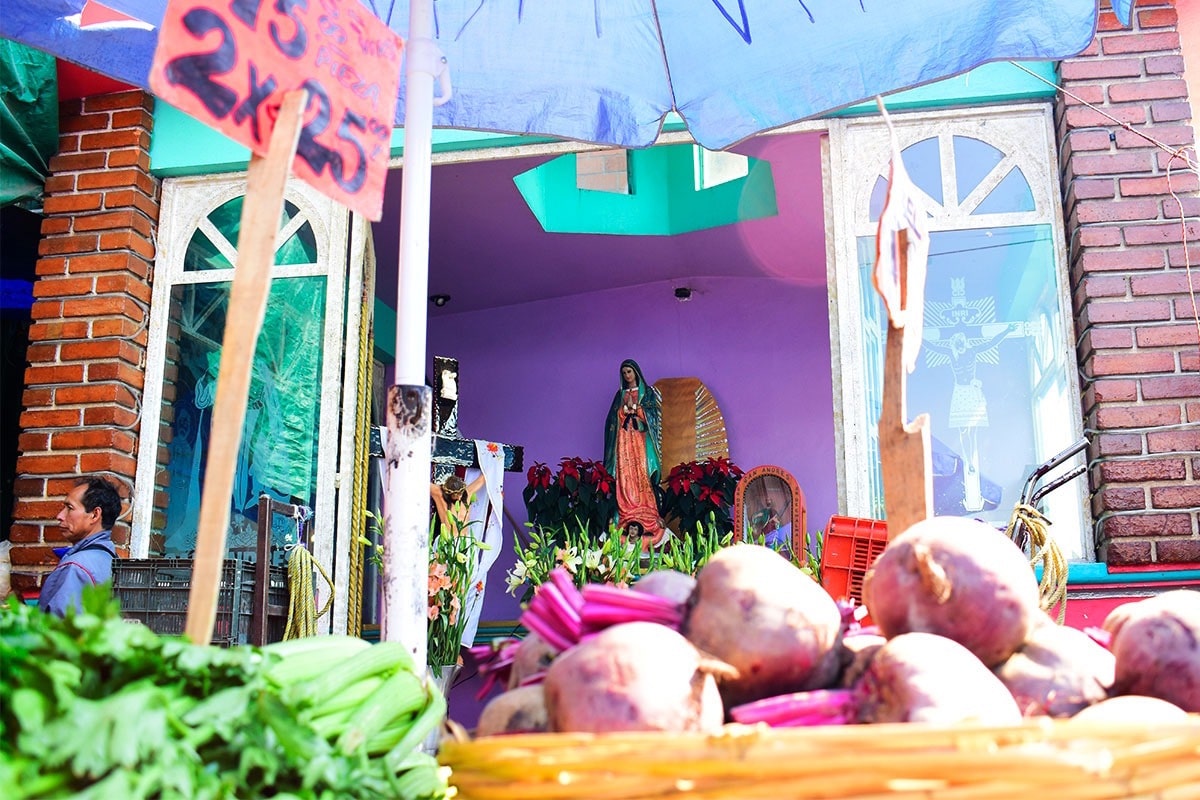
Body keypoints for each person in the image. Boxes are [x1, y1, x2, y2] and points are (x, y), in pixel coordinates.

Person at [38, 476, 121, 617]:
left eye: (69, 508)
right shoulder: (111, 559)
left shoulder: (76, 567)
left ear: (95, 515)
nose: (60, 516)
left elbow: (59, 632)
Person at [603, 359, 664, 545]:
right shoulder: (619, 395)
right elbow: (612, 421)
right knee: (626, 474)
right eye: (624, 373)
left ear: (636, 372)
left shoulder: (647, 394)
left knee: (641, 474)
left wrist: (637, 409)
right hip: (624, 441)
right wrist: (623, 411)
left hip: (640, 441)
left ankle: (646, 511)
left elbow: (655, 417)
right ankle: (626, 510)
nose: (627, 375)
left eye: (629, 371)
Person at [430, 473, 486, 537]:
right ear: (449, 493)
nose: (459, 498)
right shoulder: (439, 494)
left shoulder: (466, 494)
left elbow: (482, 479)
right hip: (448, 541)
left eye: (460, 494)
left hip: (464, 541)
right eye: (456, 495)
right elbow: (421, 481)